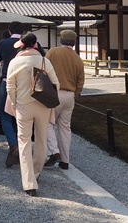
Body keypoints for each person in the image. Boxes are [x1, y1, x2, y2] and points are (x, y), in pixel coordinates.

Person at [6, 32, 59, 197]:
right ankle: (36, 172)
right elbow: (56, 83)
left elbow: (10, 87)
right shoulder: (44, 60)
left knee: (24, 142)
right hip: (43, 105)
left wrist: (15, 104)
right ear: (35, 44)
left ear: (22, 45)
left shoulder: (14, 62)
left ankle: (29, 183)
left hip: (23, 105)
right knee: (42, 139)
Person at [44, 29, 85, 170]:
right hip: (69, 95)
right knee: (65, 128)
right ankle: (65, 161)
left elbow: (43, 70)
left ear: (61, 40)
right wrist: (76, 93)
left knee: (48, 123)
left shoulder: (52, 52)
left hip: (54, 93)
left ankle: (54, 152)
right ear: (74, 42)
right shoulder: (77, 58)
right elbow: (80, 81)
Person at [0, 20, 25, 167]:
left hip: (7, 81)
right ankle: (20, 146)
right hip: (25, 84)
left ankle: (13, 145)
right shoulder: (27, 44)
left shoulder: (4, 43)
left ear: (9, 30)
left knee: (4, 114)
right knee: (19, 115)